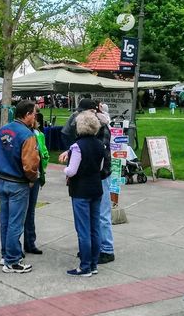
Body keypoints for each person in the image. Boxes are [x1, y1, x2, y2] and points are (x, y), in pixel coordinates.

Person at [0, 100, 40, 273]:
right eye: (34, 113)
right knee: (15, 223)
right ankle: (12, 260)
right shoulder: (27, 135)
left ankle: (5, 254)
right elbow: (30, 165)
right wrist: (34, 177)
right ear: (27, 114)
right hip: (18, 183)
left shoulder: (2, 130)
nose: (35, 117)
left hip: (2, 180)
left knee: (5, 221)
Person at [62, 111, 105, 276]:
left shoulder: (77, 146)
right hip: (96, 188)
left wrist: (64, 169)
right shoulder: (100, 145)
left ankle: (85, 265)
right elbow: (100, 168)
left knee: (83, 229)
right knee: (95, 227)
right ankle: (93, 263)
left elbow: (72, 171)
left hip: (80, 190)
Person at [23, 115, 50, 256]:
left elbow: (44, 152)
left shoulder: (39, 134)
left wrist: (43, 163)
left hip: (36, 176)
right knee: (20, 212)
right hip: (23, 179)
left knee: (31, 211)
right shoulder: (22, 134)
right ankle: (15, 245)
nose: (33, 118)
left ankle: (30, 242)